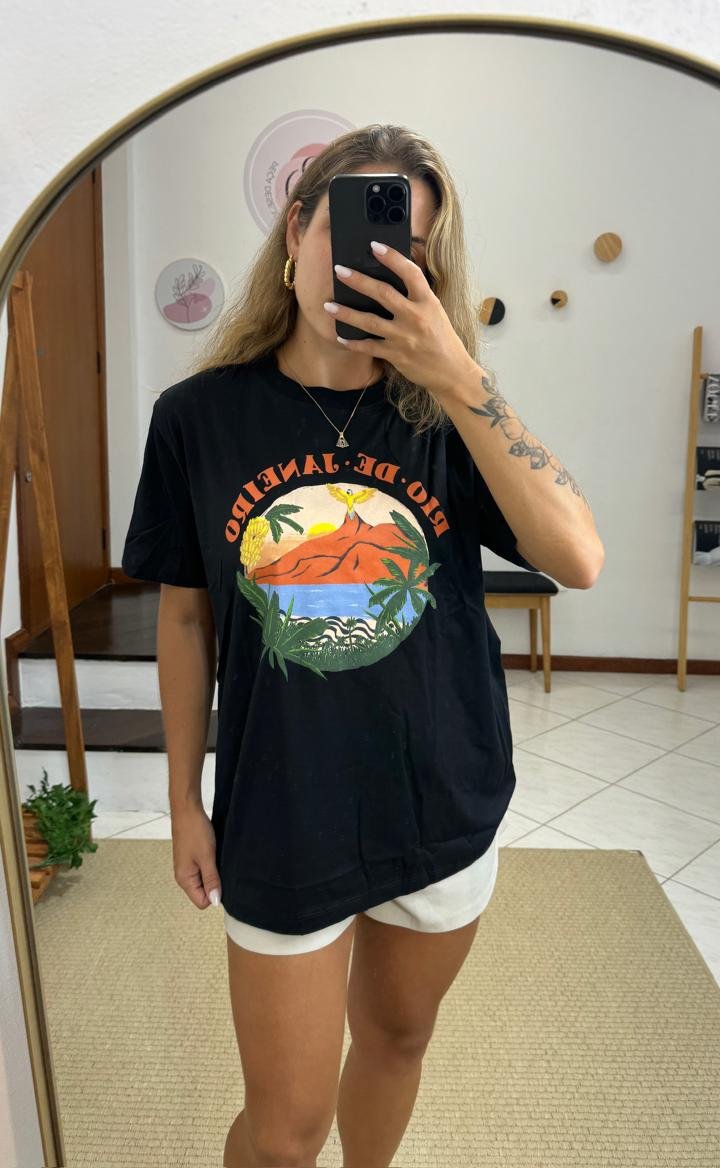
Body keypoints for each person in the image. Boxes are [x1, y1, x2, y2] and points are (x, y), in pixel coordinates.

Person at [122, 123, 540, 1168]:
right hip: (283, 805)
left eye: (405, 246)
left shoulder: (446, 415)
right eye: (346, 228)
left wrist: (458, 374)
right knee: (284, 1130)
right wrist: (183, 801)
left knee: (398, 1040)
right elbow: (185, 618)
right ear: (296, 229)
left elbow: (577, 555)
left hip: (440, 793)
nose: (365, 261)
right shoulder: (196, 418)